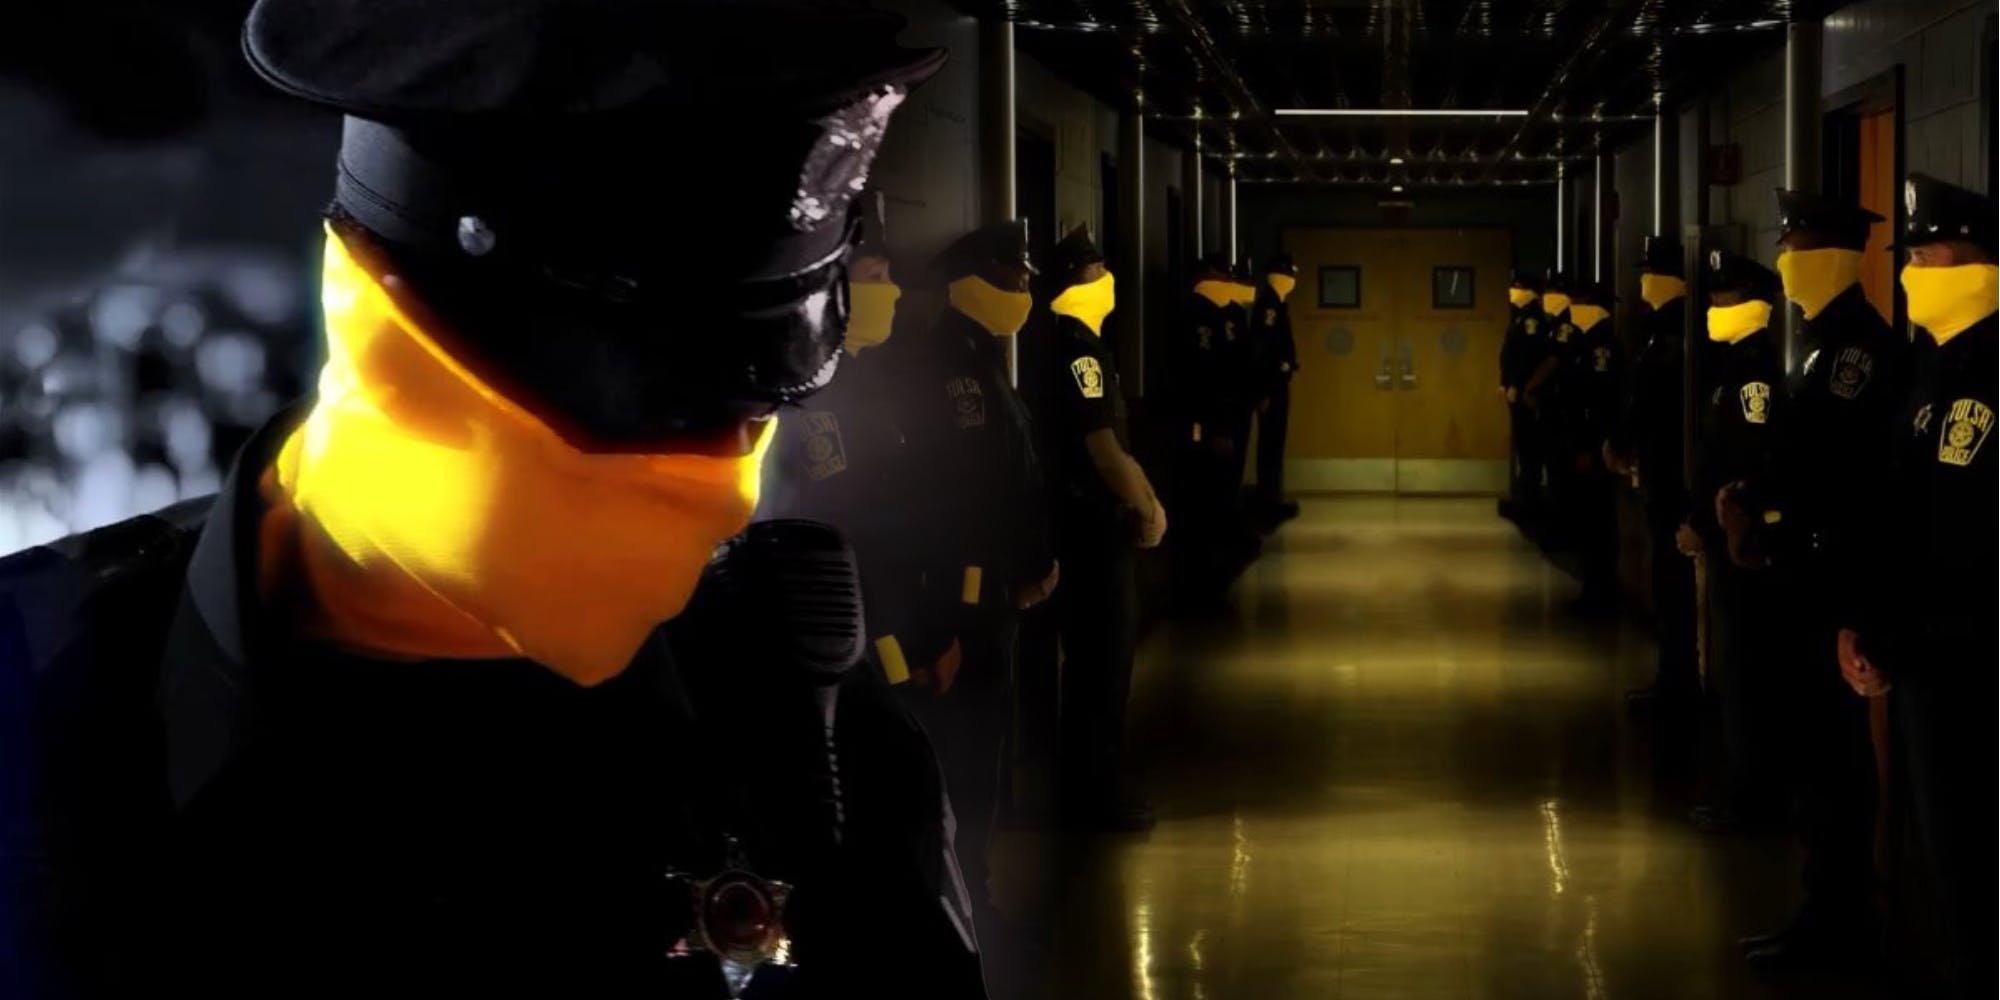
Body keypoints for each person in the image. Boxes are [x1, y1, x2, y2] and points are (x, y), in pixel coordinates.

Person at [0, 3, 990, 997]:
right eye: (655, 412)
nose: (723, 487)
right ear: (388, 329)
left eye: (755, 408)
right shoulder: (38, 699)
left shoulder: (812, 727)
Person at [1717, 189, 1907, 969]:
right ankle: (1821, 906)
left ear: (1832, 256)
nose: (1786, 262)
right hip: (1807, 572)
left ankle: (1837, 918)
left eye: (1796, 247)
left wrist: (1764, 506)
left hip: (1833, 576)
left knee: (1832, 761)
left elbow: (1833, 471)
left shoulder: (1859, 352)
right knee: (1813, 753)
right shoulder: (1821, 345)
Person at [1840, 173, 1997, 1000]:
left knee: (1974, 856)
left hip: (1971, 660)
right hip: (1923, 659)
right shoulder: (1932, 366)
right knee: (1947, 858)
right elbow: (1897, 511)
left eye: (1928, 254)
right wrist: (1868, 627)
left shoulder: (1987, 370)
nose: (1912, 271)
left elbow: (1963, 538)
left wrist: (1893, 635)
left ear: (1976, 259)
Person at [895, 218, 1059, 927]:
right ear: (970, 285)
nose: (1022, 290)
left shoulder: (982, 358)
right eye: (1010, 278)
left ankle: (973, 887)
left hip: (994, 592)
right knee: (964, 755)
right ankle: (961, 898)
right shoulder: (947, 369)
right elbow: (954, 498)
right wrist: (955, 615)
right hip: (966, 600)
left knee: (984, 749)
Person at [759, 191, 947, 691]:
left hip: (897, 628)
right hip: (857, 646)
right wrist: (895, 648)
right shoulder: (807, 392)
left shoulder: (870, 376)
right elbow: (851, 537)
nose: (894, 291)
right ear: (836, 284)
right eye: (876, 277)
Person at [1031, 223, 1165, 832]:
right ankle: (1095, 794)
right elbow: (1105, 451)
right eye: (1095, 270)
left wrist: (1147, 497)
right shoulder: (1077, 349)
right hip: (1090, 529)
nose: (1107, 278)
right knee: (1101, 666)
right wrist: (1146, 507)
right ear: (1072, 284)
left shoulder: (1080, 343)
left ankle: (1093, 787)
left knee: (1099, 665)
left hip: (1091, 524)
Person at [1686, 249, 1788, 837]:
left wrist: (1713, 525)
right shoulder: (1731, 366)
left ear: (1751, 302)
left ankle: (1755, 798)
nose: (1712, 305)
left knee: (1748, 674)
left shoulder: (1754, 376)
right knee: (1736, 672)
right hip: (1726, 538)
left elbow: (1747, 464)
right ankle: (1744, 787)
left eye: (1723, 296)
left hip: (1743, 545)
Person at [1607, 236, 1698, 711]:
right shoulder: (1663, 329)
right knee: (1668, 585)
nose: (1644, 282)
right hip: (1664, 473)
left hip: (1670, 476)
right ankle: (1673, 676)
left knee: (1672, 585)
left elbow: (1646, 401)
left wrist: (1621, 441)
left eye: (1650, 273)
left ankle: (1677, 681)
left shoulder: (1670, 333)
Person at [1170, 251, 1249, 609]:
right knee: (1200, 499)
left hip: (1228, 416)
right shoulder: (1191, 313)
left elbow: (1236, 365)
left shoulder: (1228, 313)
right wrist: (1211, 426)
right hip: (1200, 422)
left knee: (1222, 493)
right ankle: (1200, 578)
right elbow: (1197, 375)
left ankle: (1218, 569)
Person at [1550, 279, 1623, 615]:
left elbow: (1600, 399)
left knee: (1597, 522)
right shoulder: (1583, 339)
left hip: (1593, 446)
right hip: (1578, 439)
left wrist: (1588, 447)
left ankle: (1600, 590)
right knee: (1586, 520)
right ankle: (1591, 587)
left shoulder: (1601, 343)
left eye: (1578, 302)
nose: (1573, 308)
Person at [1251, 252, 1302, 528]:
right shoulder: (1269, 305)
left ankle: (1272, 499)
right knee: (1270, 445)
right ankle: (1267, 503)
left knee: (1275, 444)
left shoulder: (1277, 304)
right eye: (1289, 275)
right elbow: (1264, 347)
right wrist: (1266, 389)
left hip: (1276, 383)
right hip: (1271, 385)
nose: (1292, 281)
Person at [1499, 270, 1549, 526]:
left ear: (1529, 291)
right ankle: (1525, 498)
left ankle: (1530, 503)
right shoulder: (1521, 316)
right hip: (1515, 390)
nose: (1512, 291)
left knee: (1529, 447)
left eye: (1517, 287)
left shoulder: (1532, 319)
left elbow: (1528, 356)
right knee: (1523, 445)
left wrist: (1517, 385)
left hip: (1525, 393)